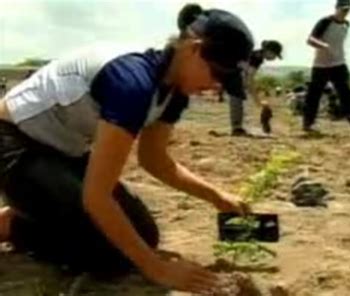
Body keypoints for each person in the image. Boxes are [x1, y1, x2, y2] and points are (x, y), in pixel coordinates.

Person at [0, 5, 254, 294]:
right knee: (112, 256)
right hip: (14, 144)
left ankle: (27, 214)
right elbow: (96, 197)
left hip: (63, 151)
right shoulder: (132, 83)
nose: (214, 86)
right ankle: (13, 225)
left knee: (144, 236)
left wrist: (215, 195)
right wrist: (156, 269)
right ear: (194, 49)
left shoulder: (174, 92)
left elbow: (154, 159)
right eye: (217, 74)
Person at [304, 0, 350, 134]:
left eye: (347, 10)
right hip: (321, 65)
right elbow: (310, 40)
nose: (345, 13)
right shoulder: (325, 22)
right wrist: (323, 46)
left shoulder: (346, 25)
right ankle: (308, 124)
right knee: (314, 95)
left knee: (345, 93)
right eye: (343, 9)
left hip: (339, 64)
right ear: (336, 8)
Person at [228, 40, 283, 136]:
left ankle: (237, 127)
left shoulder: (255, 54)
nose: (274, 58)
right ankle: (236, 128)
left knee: (238, 95)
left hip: (231, 71)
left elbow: (247, 77)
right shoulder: (257, 57)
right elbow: (249, 79)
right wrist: (258, 101)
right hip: (229, 71)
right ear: (268, 51)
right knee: (237, 96)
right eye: (275, 55)